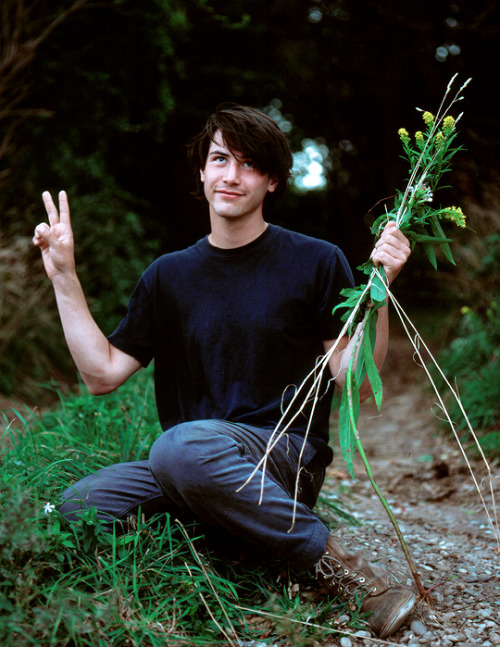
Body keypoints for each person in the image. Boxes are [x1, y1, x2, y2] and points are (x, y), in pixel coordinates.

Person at [33, 104, 415, 638]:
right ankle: (246, 543)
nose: (230, 175)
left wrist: (379, 293)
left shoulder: (315, 260)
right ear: (202, 172)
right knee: (66, 508)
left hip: (280, 456)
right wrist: (64, 276)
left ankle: (347, 577)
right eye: (218, 159)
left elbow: (352, 379)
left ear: (273, 181)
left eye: (248, 164)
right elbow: (102, 375)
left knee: (179, 448)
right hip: (192, 462)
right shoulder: (168, 276)